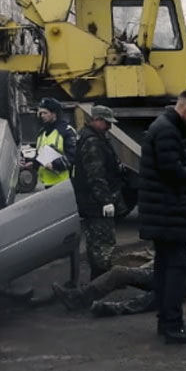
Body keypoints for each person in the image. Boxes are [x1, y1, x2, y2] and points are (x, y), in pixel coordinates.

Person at [138, 89, 186, 343]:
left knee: (165, 267)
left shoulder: (163, 126)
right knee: (177, 268)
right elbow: (171, 172)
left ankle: (168, 321)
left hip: (162, 213)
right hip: (168, 213)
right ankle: (172, 326)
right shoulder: (167, 131)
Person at [54, 243, 186, 316]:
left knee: (147, 301)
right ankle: (79, 297)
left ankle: (109, 309)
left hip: (178, 284)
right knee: (119, 272)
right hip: (164, 272)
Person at [70, 104, 125, 281]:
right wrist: (105, 201)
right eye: (107, 122)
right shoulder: (93, 141)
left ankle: (101, 280)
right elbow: (96, 175)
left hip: (91, 201)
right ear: (97, 120)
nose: (109, 126)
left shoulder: (93, 137)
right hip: (95, 203)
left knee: (97, 243)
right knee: (102, 244)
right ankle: (101, 283)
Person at [33, 97, 72, 188]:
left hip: (63, 184)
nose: (42, 115)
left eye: (45, 113)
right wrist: (32, 163)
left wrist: (54, 165)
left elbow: (73, 156)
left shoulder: (66, 131)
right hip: (47, 183)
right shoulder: (42, 132)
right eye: (40, 113)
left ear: (54, 114)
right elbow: (40, 155)